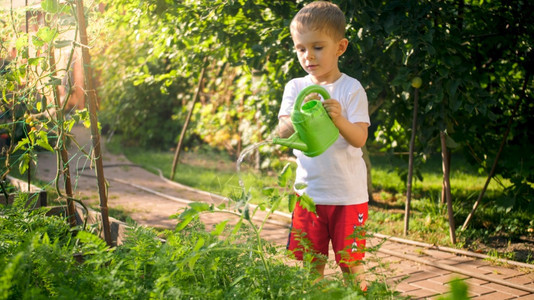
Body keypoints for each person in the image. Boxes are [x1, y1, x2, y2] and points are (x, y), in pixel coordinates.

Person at [278, 1, 370, 290]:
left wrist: (339, 119)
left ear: (340, 48)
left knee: (351, 264)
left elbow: (359, 139)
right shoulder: (295, 87)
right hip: (309, 195)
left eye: (317, 47)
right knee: (311, 265)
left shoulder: (351, 88)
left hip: (348, 195)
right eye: (300, 48)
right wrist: (298, 115)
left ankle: (360, 297)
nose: (308, 56)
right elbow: (282, 133)